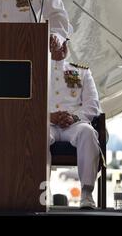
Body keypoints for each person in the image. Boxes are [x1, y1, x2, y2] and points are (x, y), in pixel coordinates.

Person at [49, 38, 101, 209]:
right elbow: (27, 103)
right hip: (46, 124)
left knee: (88, 132)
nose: (61, 47)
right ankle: (41, 190)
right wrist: (49, 117)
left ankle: (86, 193)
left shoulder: (80, 72)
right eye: (56, 42)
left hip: (74, 125)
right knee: (35, 135)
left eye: (64, 42)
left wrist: (73, 118)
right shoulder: (38, 69)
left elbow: (92, 106)